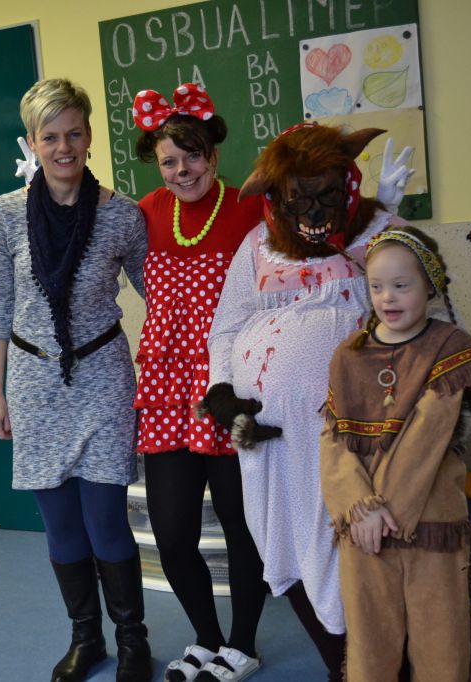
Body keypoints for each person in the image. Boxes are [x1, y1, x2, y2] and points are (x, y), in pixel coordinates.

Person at [201, 122, 413, 682]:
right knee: (284, 545)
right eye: (300, 197)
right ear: (277, 197)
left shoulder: (379, 235)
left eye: (326, 193)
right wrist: (222, 391)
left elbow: (422, 308)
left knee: (355, 544)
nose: (314, 211)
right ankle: (341, 665)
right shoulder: (257, 245)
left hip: (348, 438)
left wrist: (383, 221)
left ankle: (377, 663)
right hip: (269, 439)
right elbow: (226, 327)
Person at [0, 78, 150, 682]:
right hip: (33, 383)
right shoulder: (5, 214)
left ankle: (132, 640)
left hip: (103, 378)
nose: (63, 147)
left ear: (89, 136)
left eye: (74, 134)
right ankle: (87, 639)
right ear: (31, 141)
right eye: (49, 136)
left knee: (106, 520)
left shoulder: (122, 215)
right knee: (61, 525)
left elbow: (159, 295)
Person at [131, 83, 269, 682]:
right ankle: (206, 638)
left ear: (213, 155)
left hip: (226, 388)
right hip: (167, 393)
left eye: (192, 156)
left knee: (241, 526)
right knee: (171, 530)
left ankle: (243, 644)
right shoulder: (145, 212)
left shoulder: (249, 207)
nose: (181, 170)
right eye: (169, 161)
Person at [320, 228, 471, 681]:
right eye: (376, 286)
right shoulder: (348, 355)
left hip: (430, 522)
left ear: (429, 286)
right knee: (370, 639)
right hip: (364, 529)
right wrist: (361, 509)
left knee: (441, 639)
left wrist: (384, 511)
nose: (387, 298)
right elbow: (334, 441)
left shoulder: (450, 346)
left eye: (401, 285)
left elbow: (426, 437)